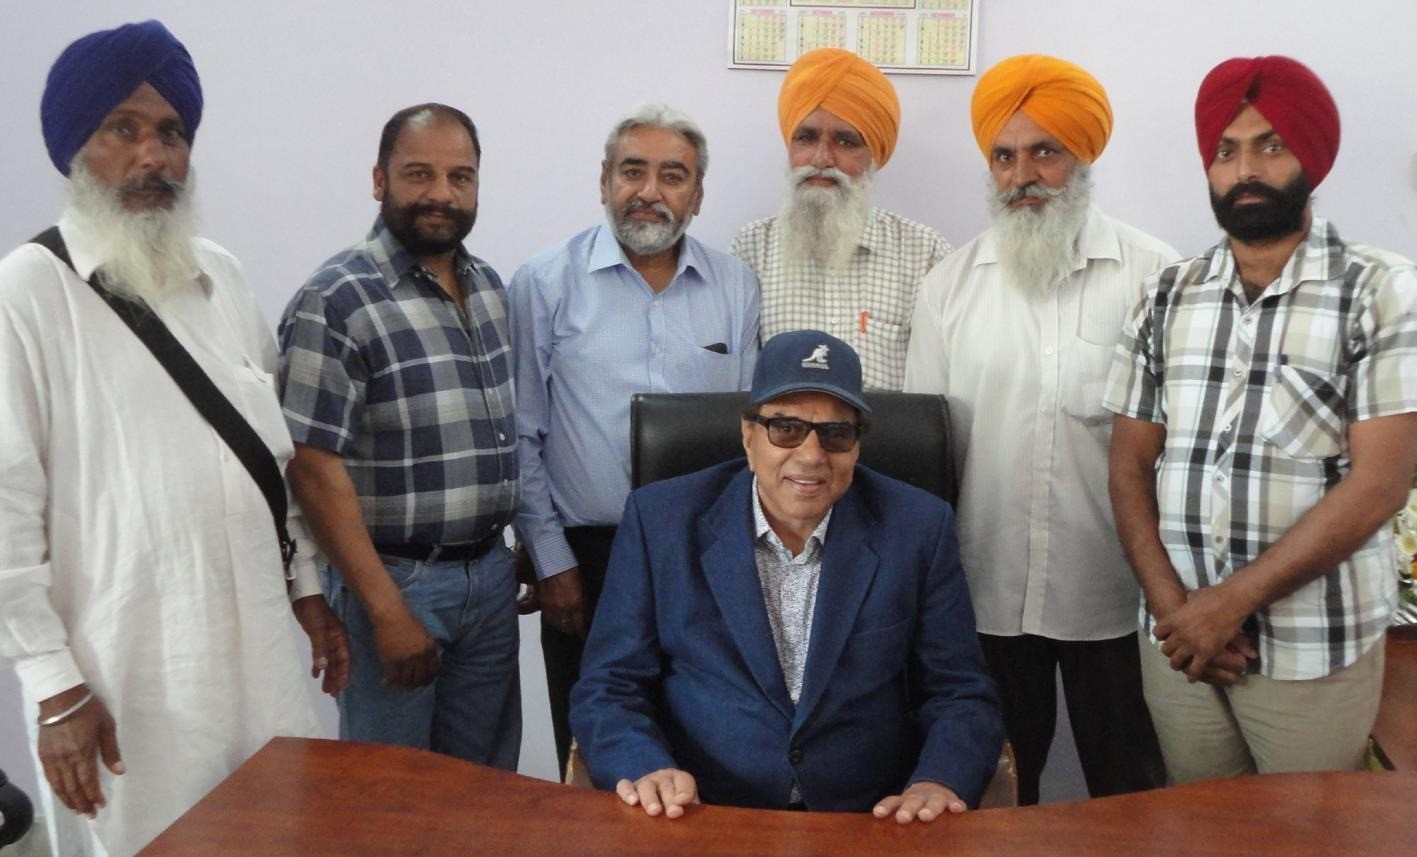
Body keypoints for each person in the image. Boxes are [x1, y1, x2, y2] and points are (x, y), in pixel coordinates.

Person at [0, 21, 345, 856]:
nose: (153, 156)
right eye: (124, 128)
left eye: (171, 132)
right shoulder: (28, 291)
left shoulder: (220, 274)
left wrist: (307, 590)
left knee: (286, 836)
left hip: (262, 655)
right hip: (126, 676)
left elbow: (273, 458)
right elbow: (5, 516)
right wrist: (54, 689)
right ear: (75, 145)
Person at [1105, 55, 1417, 783]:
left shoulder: (1380, 291)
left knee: (1305, 838)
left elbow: (1380, 483)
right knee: (1196, 830)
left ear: (1310, 156)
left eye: (1269, 145)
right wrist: (1176, 610)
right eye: (1225, 149)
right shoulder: (1166, 294)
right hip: (1178, 642)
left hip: (1312, 648)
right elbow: (1127, 465)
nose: (1244, 167)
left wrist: (1228, 604)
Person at [572, 330, 1003, 821]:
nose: (813, 455)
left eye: (836, 433)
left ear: (857, 445)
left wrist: (939, 778)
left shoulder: (918, 527)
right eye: (786, 429)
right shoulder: (663, 520)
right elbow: (609, 684)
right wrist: (645, 766)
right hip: (701, 810)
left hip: (869, 818)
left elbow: (959, 692)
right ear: (748, 435)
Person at [905, 54, 1171, 804]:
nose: (1022, 173)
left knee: (1133, 797)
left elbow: (1175, 451)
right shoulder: (948, 287)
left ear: (1081, 157)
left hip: (1117, 597)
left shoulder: (1154, 276)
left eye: (1044, 151)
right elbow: (925, 463)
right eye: (1003, 155)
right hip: (980, 595)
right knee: (989, 798)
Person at [509, 104, 759, 776]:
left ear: (697, 195)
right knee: (591, 737)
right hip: (587, 558)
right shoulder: (543, 282)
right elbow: (521, 432)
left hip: (703, 555)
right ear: (603, 181)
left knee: (699, 736)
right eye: (632, 171)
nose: (649, 191)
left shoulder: (735, 286)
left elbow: (748, 440)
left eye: (672, 175)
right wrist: (551, 557)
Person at [278, 103, 521, 767]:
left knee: (484, 790)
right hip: (394, 581)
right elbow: (309, 465)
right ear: (379, 179)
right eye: (419, 173)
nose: (441, 194)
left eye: (460, 177)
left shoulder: (490, 287)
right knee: (387, 797)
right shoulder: (335, 299)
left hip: (489, 578)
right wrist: (385, 609)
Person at [733, 48, 949, 390]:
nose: (821, 158)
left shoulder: (924, 253)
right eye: (806, 138)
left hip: (888, 440)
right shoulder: (750, 250)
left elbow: (936, 387)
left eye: (845, 141)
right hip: (782, 442)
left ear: (873, 155)